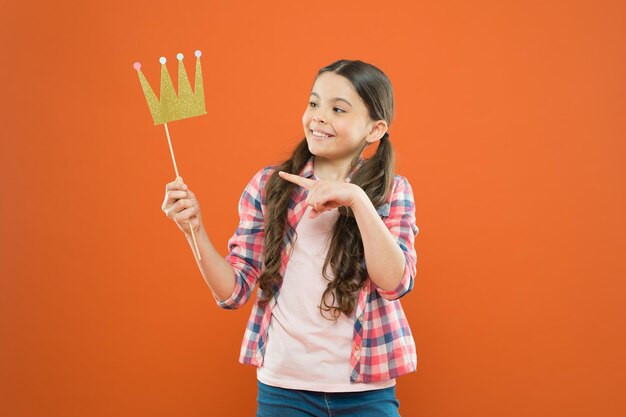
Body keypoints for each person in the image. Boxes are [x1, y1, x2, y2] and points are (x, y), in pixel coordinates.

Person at [161, 59, 419, 417]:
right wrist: (194, 229)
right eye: (313, 103)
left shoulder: (391, 192)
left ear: (374, 129)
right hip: (283, 389)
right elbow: (233, 292)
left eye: (337, 109)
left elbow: (394, 282)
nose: (318, 116)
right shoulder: (271, 186)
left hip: (366, 390)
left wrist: (357, 200)